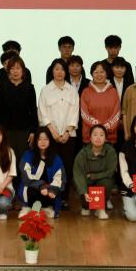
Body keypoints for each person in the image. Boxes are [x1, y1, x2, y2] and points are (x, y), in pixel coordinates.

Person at [38, 57, 80, 198]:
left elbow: (75, 113)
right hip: (50, 136)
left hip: (69, 136)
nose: (59, 72)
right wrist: (53, 132)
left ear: (66, 72)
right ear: (52, 71)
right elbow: (42, 113)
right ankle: (50, 196)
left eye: (62, 69)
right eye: (56, 69)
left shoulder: (72, 91)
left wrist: (67, 132)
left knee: (66, 167)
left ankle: (63, 197)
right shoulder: (45, 90)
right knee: (50, 166)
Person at [0, 55, 38, 160]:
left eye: (18, 68)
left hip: (25, 132)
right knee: (7, 160)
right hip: (6, 131)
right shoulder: (2, 87)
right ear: (8, 71)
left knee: (23, 161)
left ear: (23, 70)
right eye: (12, 68)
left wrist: (33, 131)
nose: (15, 71)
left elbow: (33, 111)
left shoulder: (29, 87)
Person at [72, 124, 117, 220]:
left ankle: (100, 208)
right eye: (95, 135)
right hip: (87, 183)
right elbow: (78, 174)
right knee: (84, 201)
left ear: (105, 138)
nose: (98, 138)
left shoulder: (110, 151)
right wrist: (84, 192)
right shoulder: (83, 153)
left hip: (101, 181)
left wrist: (94, 176)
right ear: (90, 138)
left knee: (107, 182)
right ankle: (85, 206)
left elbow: (110, 171)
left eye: (101, 135)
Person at [19, 127, 65, 218]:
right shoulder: (28, 155)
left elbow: (60, 178)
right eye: (40, 139)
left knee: (53, 193)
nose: (43, 142)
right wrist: (41, 186)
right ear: (35, 141)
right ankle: (28, 208)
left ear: (50, 141)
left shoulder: (56, 158)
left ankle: (45, 208)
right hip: (33, 188)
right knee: (31, 190)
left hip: (48, 190)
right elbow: (26, 176)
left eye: (46, 139)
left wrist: (52, 189)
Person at [80, 60, 121, 144]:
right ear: (91, 74)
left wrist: (104, 128)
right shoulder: (85, 92)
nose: (99, 75)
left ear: (106, 74)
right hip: (90, 137)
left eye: (102, 72)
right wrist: (99, 129)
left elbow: (116, 114)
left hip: (110, 138)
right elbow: (84, 114)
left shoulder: (113, 92)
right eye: (96, 72)